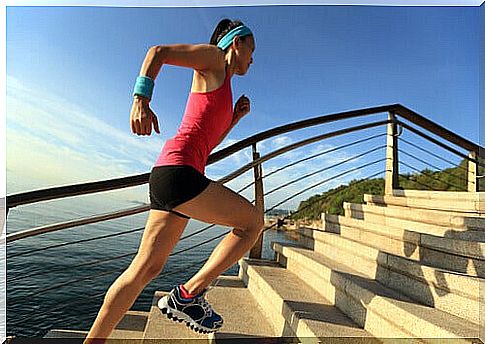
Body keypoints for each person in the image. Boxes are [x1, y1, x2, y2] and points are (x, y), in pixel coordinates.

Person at [83, 19, 261, 343]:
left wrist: (234, 118)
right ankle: (189, 294)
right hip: (179, 174)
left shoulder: (223, 85)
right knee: (252, 223)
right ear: (236, 43)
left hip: (174, 174)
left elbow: (207, 144)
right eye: (252, 48)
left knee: (145, 270)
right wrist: (141, 99)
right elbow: (158, 52)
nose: (253, 57)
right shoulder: (214, 59)